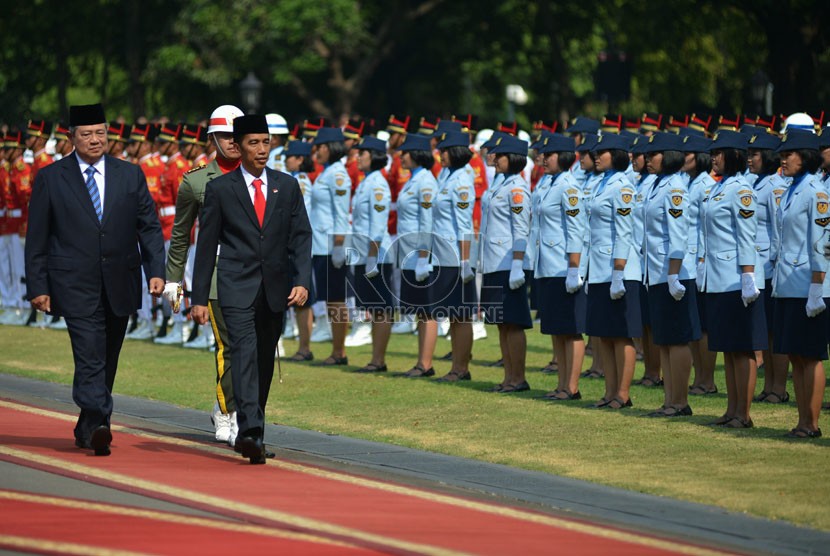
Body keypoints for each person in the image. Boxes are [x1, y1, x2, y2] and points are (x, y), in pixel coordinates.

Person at [25, 103, 166, 456]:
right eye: (86, 134)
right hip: (74, 282)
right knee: (89, 354)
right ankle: (102, 421)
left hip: (121, 279)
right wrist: (38, 287)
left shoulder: (129, 175)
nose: (94, 140)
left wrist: (157, 273)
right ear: (71, 138)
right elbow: (38, 237)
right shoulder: (51, 178)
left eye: (100, 133)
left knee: (108, 355)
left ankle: (88, 426)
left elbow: (148, 227)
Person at [191, 114, 312, 463]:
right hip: (235, 286)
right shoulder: (220, 189)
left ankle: (252, 425)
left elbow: (301, 236)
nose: (262, 150)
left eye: (266, 142)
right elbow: (206, 245)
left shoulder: (286, 186)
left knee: (262, 360)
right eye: (253, 143)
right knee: (243, 355)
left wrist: (302, 280)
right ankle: (251, 432)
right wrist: (199, 297)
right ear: (238, 147)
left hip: (275, 289)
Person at [163, 104, 244, 444]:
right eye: (225, 135)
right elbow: (181, 234)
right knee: (228, 346)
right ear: (212, 138)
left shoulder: (261, 175)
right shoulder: (195, 181)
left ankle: (232, 405)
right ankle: (227, 412)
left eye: (237, 135)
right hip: (213, 273)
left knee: (252, 349)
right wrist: (173, 280)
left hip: (253, 272)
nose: (233, 142)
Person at [699, 131, 766, 428]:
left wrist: (748, 275)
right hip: (718, 277)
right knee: (727, 347)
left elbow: (747, 235)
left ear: (735, 155)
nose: (714, 157)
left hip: (738, 277)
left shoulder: (742, 190)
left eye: (720, 152)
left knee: (742, 347)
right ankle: (731, 409)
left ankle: (744, 412)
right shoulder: (719, 187)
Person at [770, 130, 827, 438]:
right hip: (789, 283)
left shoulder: (816, 192)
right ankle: (802, 419)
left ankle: (812, 422)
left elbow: (821, 242)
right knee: (795, 354)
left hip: (809, 284)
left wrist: (818, 286)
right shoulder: (793, 188)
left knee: (811, 354)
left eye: (789, 154)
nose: (783, 159)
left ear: (804, 157)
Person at [641, 132, 700, 417]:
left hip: (673, 273)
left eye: (654, 154)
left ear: (670, 156)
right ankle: (668, 400)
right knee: (663, 338)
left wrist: (674, 274)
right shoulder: (658, 184)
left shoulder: (675, 187)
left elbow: (679, 236)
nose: (648, 159)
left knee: (676, 338)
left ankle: (680, 401)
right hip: (658, 272)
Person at [584, 133, 641, 409]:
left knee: (621, 333)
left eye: (602, 151)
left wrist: (619, 270)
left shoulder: (623, 186)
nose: (597, 156)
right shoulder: (600, 183)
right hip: (598, 268)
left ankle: (622, 392)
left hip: (618, 269)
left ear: (617, 154)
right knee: (603, 333)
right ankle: (609, 391)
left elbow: (625, 232)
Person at [534, 134, 587, 400]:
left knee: (571, 328)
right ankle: (561, 384)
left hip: (563, 266)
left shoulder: (569, 186)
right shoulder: (546, 183)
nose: (544, 159)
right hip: (547, 265)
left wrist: (574, 269)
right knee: (556, 328)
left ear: (564, 157)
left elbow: (577, 230)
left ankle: (572, 386)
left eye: (549, 155)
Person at [479, 135, 532, 392]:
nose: (495, 158)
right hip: (493, 262)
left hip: (508, 263)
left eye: (499, 155)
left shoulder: (517, 189)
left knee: (513, 322)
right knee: (501, 322)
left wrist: (518, 264)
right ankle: (508, 376)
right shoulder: (499, 184)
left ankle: (518, 377)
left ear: (512, 158)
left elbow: (521, 230)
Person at [746, 132, 791, 405]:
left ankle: (779, 387)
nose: (750, 158)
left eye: (755, 154)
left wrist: (775, 260)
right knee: (766, 332)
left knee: (776, 329)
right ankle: (769, 385)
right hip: (757, 267)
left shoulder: (776, 186)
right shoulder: (753, 182)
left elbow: (778, 229)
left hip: (770, 265)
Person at [430, 131, 478, 382]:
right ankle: (456, 366)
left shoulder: (461, 180)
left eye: (445, 150)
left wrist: (465, 261)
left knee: (461, 314)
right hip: (443, 255)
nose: (441, 154)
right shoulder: (445, 176)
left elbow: (464, 225)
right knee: (452, 313)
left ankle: (461, 368)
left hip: (456, 257)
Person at [349, 136, 396, 373]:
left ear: (375, 155)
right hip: (364, 253)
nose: (358, 157)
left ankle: (378, 360)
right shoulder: (367, 181)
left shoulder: (377, 184)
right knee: (373, 307)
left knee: (380, 308)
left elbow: (377, 226)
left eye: (363, 153)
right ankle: (375, 358)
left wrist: (372, 257)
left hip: (375, 254)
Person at [393, 133, 439, 376]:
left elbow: (428, 223)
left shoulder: (425, 182)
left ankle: (426, 363)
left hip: (422, 256)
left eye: (406, 152)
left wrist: (424, 256)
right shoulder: (414, 180)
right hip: (410, 255)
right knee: (420, 310)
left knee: (427, 310)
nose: (402, 156)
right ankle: (422, 361)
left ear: (418, 154)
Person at [309, 127, 351, 366]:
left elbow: (341, 214)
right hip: (320, 244)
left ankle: (339, 351)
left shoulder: (338, 175)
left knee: (336, 299)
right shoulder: (327, 173)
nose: (318, 151)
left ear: (331, 147)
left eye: (321, 147)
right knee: (330, 299)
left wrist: (338, 245)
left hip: (330, 245)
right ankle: (337, 350)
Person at [680, 134, 718, 397]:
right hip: (687, 259)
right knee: (693, 325)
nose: (683, 157)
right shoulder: (690, 182)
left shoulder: (705, 184)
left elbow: (706, 228)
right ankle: (699, 377)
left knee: (703, 325)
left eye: (689, 153)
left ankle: (707, 378)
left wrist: (703, 260)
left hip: (699, 260)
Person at [283, 140, 317, 362]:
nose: (286, 160)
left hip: (297, 247)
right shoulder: (294, 180)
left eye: (290, 156)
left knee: (302, 299)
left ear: (300, 159)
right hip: (289, 246)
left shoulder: (301, 183)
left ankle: (305, 347)